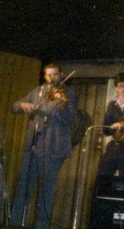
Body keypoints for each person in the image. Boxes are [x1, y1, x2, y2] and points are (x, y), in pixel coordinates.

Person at [10, 63, 78, 229]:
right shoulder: (38, 91)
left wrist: (63, 105)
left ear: (61, 74)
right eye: (48, 75)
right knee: (23, 185)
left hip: (53, 148)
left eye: (55, 74)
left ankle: (42, 226)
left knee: (46, 191)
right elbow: (15, 106)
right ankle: (14, 222)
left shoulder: (68, 93)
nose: (51, 78)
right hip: (34, 144)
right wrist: (22, 105)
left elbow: (72, 120)